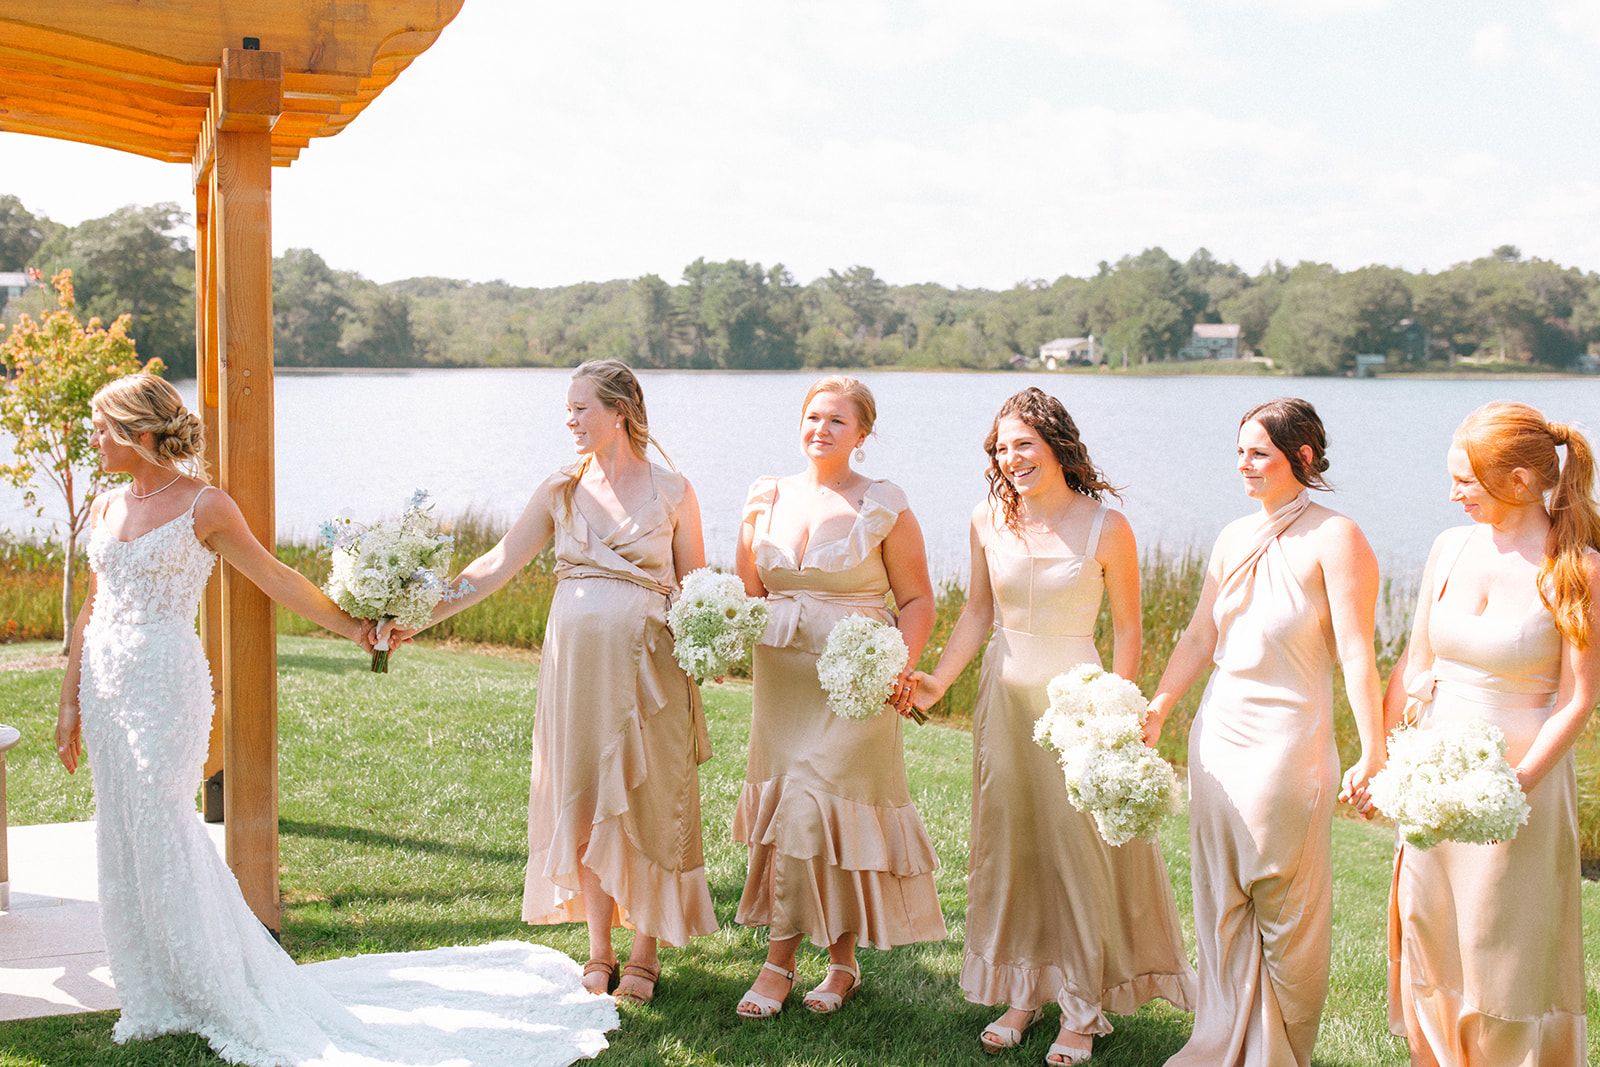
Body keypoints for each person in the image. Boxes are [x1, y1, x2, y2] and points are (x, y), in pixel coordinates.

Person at [55, 373, 616, 1065]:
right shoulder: (107, 506)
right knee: (122, 831)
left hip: (164, 683)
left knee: (164, 825)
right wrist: (69, 698)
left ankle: (211, 987)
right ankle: (152, 990)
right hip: (107, 688)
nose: (92, 438)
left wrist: (356, 628)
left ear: (140, 432)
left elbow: (276, 576)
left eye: (102, 426)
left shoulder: (205, 505)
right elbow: (92, 603)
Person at [398, 359, 717, 1004]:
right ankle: (599, 950)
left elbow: (699, 589)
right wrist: (416, 612)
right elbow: (496, 564)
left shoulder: (674, 490)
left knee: (649, 802)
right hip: (574, 675)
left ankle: (645, 953)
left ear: (619, 409)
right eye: (567, 410)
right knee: (584, 797)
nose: (570, 421)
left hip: (653, 673)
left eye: (581, 409)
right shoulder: (559, 491)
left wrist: (709, 645)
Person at [909, 388, 1195, 1064]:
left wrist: (1119, 713)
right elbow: (978, 613)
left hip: (1079, 706)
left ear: (1056, 445)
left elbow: (1128, 628)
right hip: (1004, 706)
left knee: (1078, 851)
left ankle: (1084, 1005)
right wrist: (938, 679)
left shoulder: (1106, 528)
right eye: (1002, 448)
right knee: (1015, 846)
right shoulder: (986, 518)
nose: (1012, 459)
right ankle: (1023, 988)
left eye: (1024, 445)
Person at [1144, 398, 1385, 1067]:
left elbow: (1360, 653)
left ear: (1302, 458)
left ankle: (1280, 1054)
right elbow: (1199, 634)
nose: (1243, 466)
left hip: (1287, 747)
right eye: (1239, 452)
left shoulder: (1337, 538)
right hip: (1217, 736)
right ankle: (1218, 1042)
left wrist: (1374, 749)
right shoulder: (1230, 536)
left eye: (1259, 453)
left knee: (1285, 913)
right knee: (1219, 903)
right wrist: (1161, 707)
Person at [1384, 402, 1598, 1065]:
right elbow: (1416, 662)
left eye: (1466, 481)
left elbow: (1579, 698)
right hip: (1434, 779)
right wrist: (1388, 767)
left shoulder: (1579, 567)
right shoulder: (1448, 546)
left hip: (1518, 788)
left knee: (1500, 952)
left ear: (1520, 482)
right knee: (1430, 936)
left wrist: (1517, 783)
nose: (1453, 494)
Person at [731, 375, 946, 1019]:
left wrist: (897, 666)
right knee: (807, 813)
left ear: (862, 435)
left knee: (820, 803)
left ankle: (778, 964)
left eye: (837, 422)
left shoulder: (883, 504)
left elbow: (917, 599)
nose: (820, 430)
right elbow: (750, 594)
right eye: (813, 417)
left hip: (855, 682)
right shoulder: (764, 496)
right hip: (784, 683)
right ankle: (843, 963)